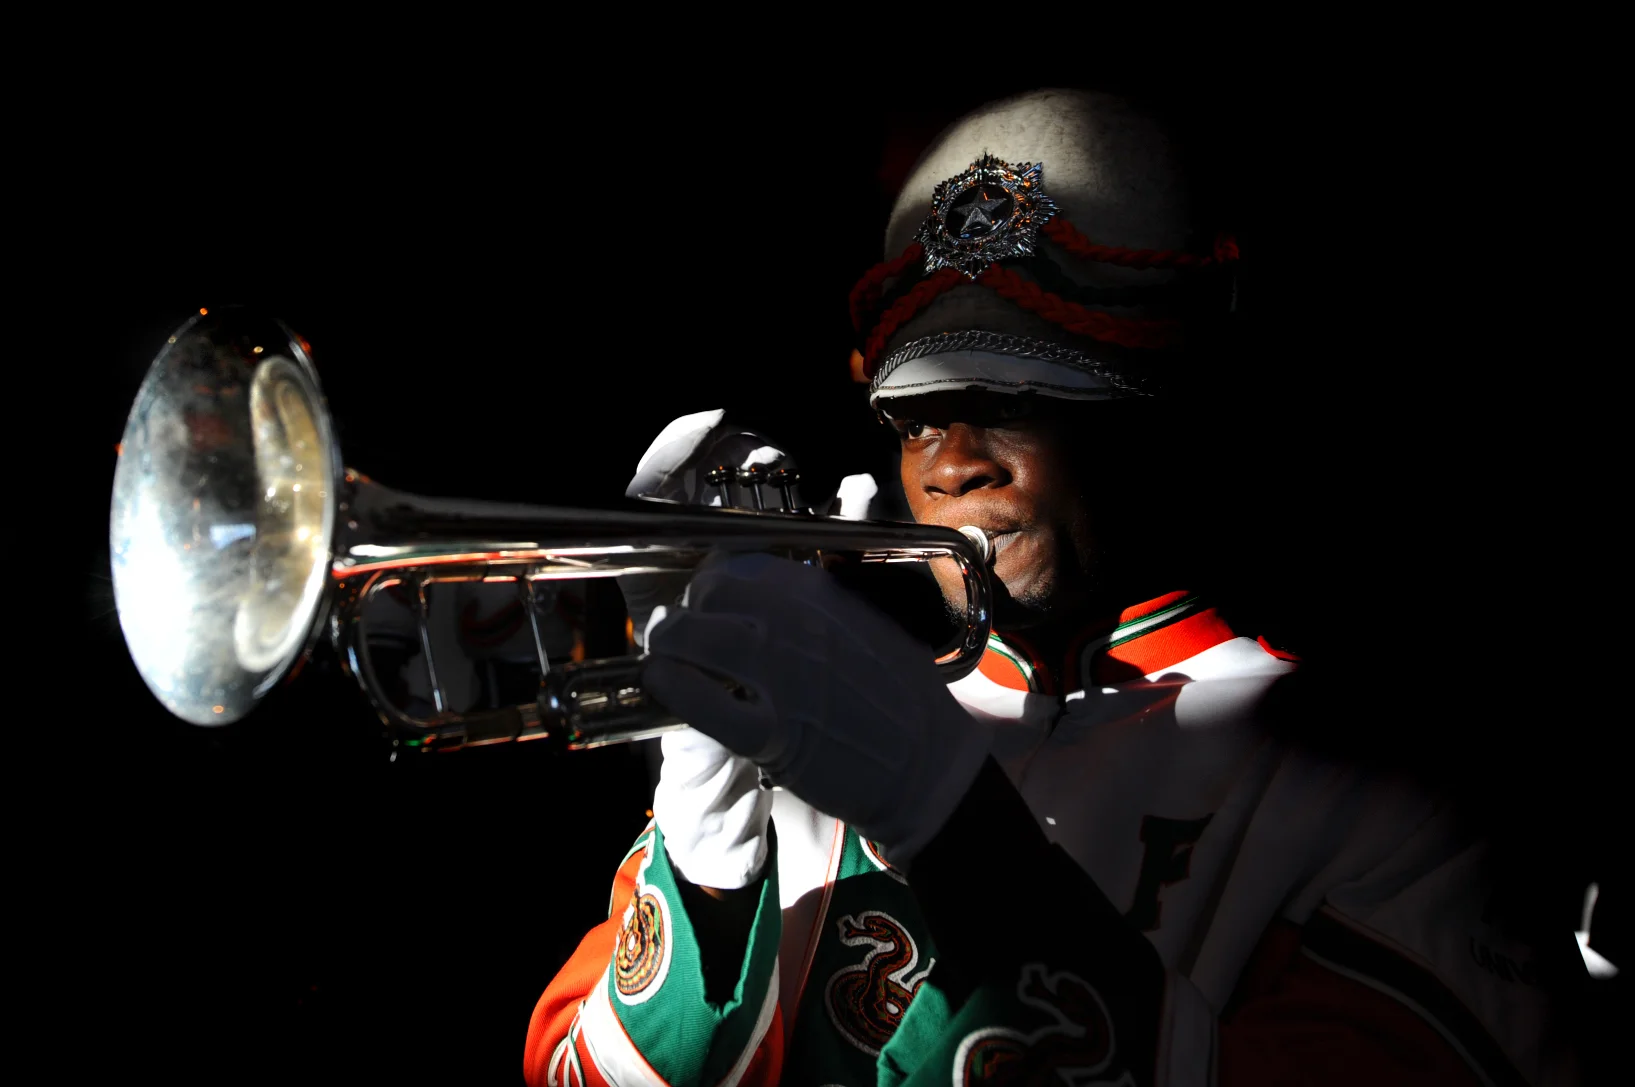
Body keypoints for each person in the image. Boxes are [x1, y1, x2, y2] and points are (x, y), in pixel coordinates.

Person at [524, 89, 1588, 1086]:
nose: (952, 463)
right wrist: (704, 845)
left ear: (1165, 416)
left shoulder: (1382, 789)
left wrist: (953, 822)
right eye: (915, 418)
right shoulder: (820, 716)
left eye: (1017, 402)